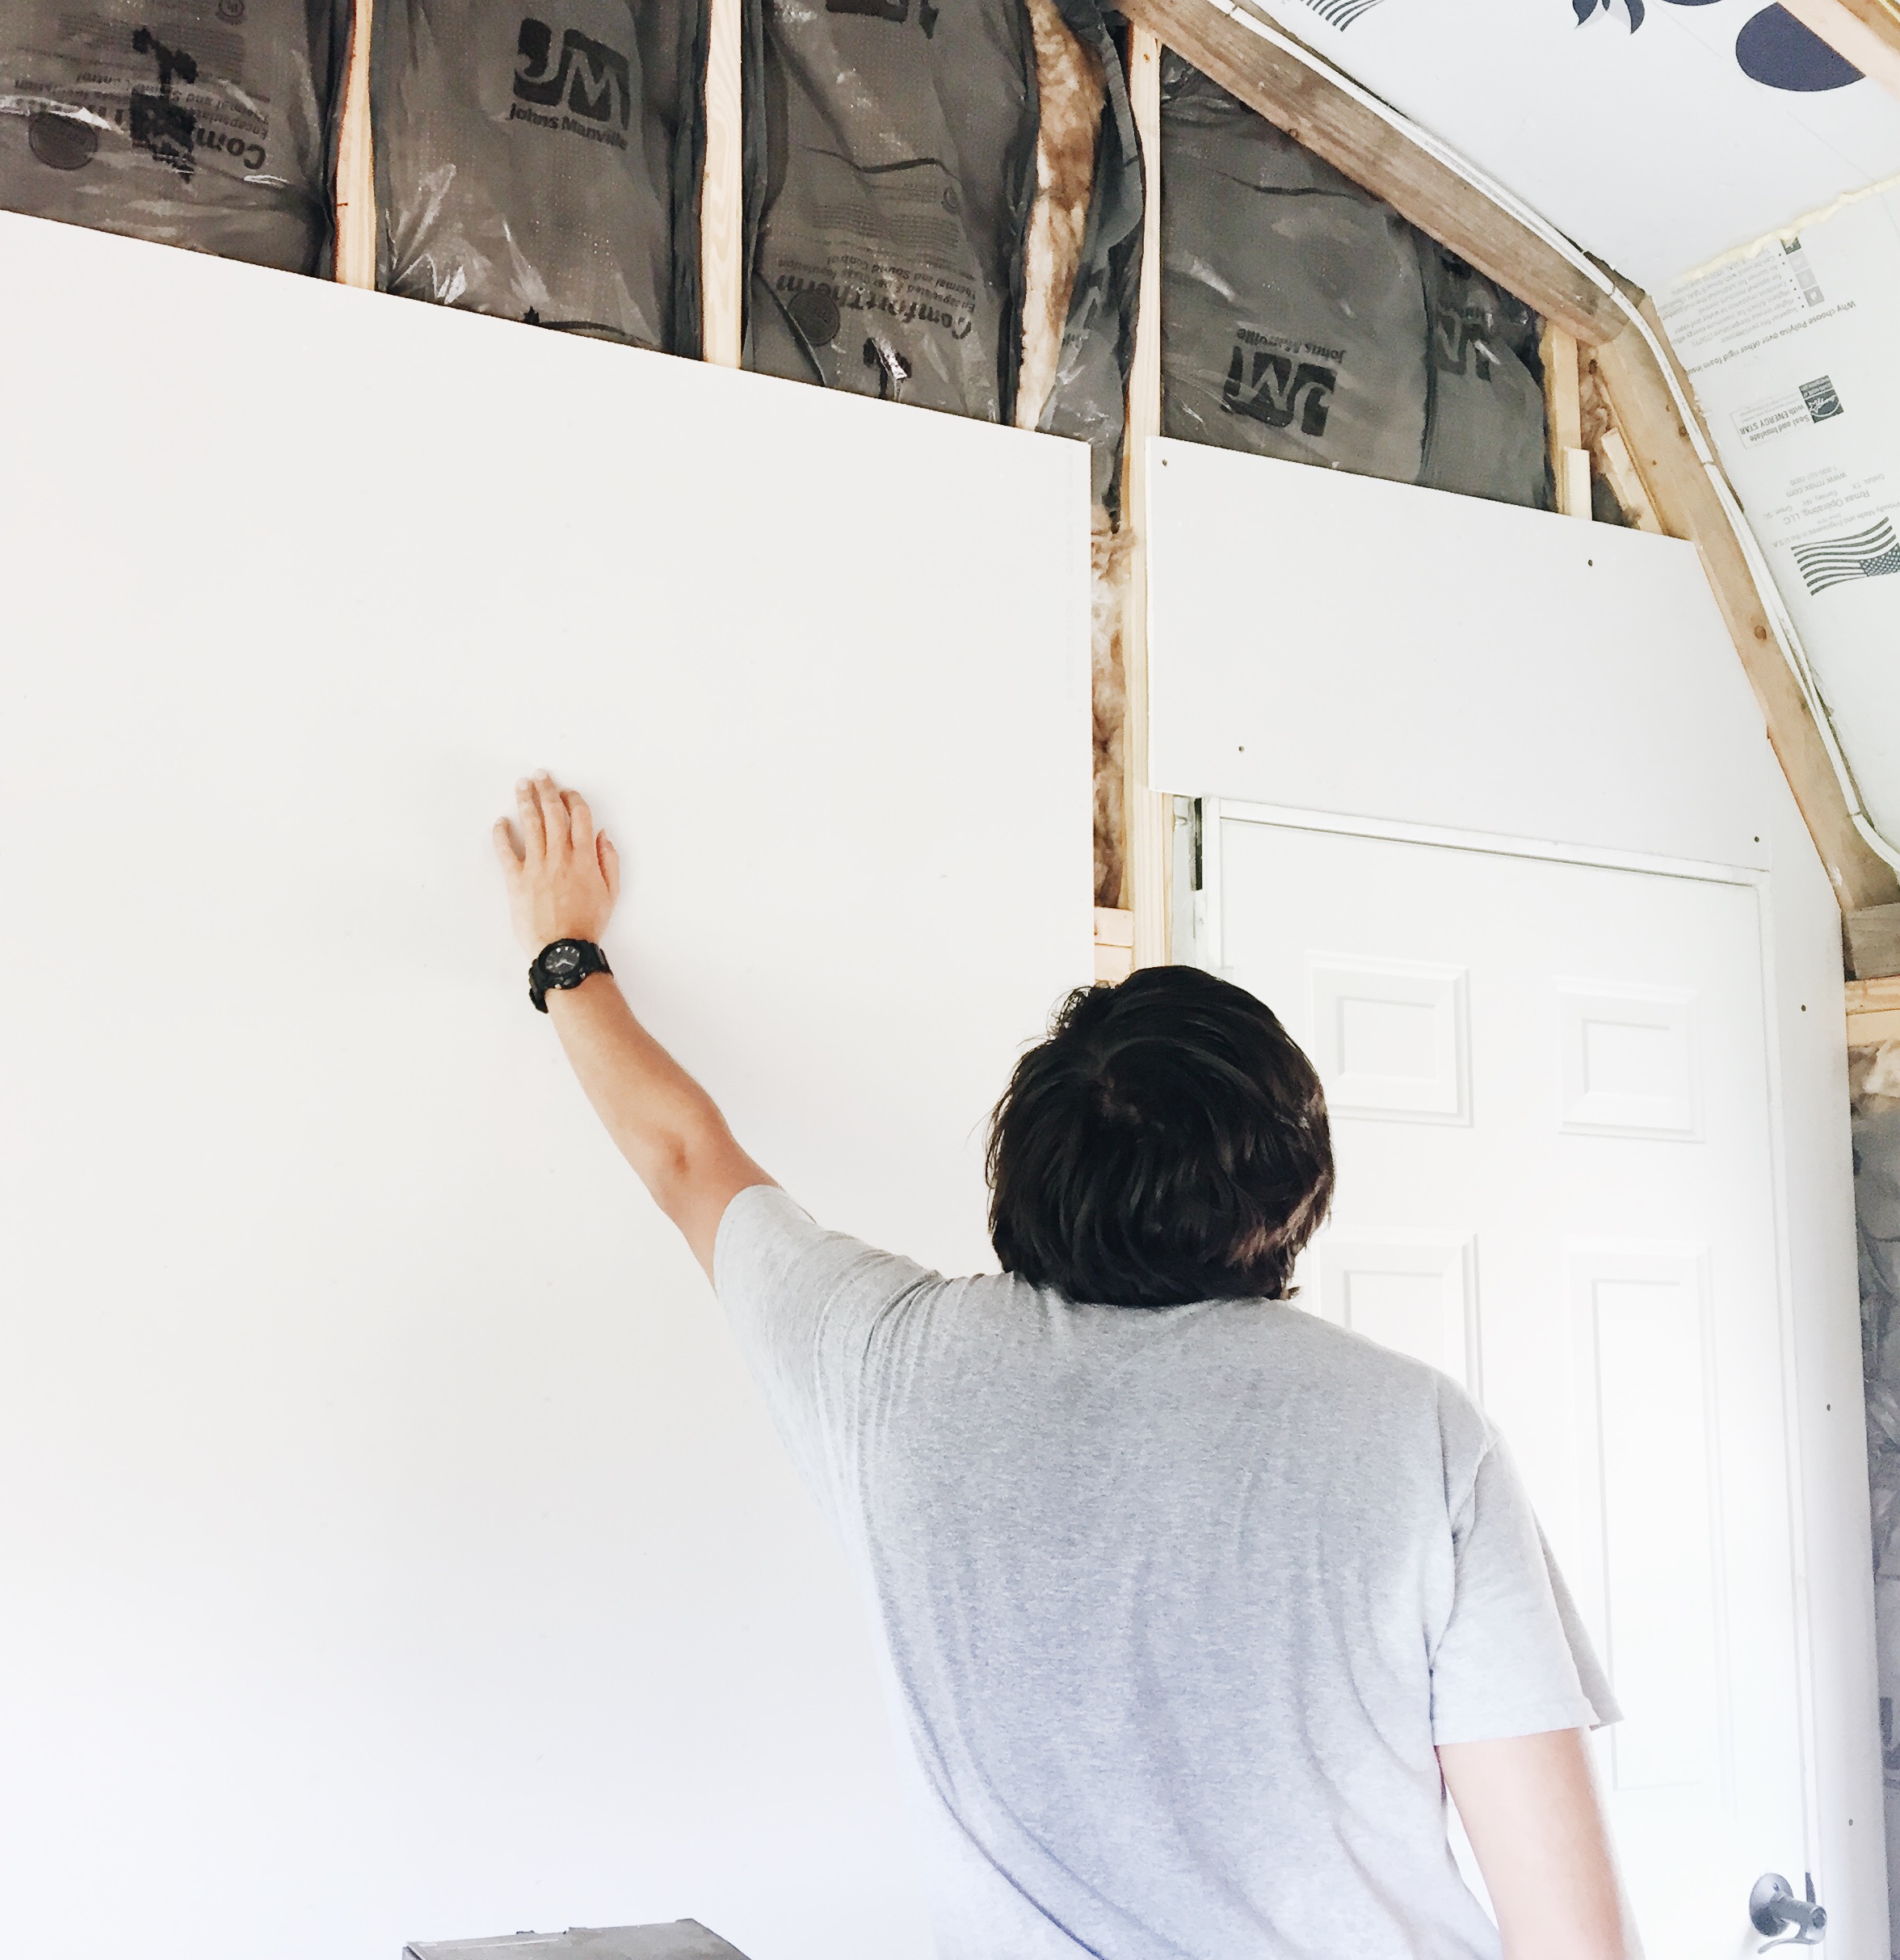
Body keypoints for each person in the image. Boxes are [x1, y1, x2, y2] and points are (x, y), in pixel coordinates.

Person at [493, 771, 1630, 1960]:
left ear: (1025, 1171)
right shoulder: (1419, 1436)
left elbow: (686, 1160)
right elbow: (1575, 1940)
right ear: (1296, 1189)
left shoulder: (890, 1366)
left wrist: (567, 952)